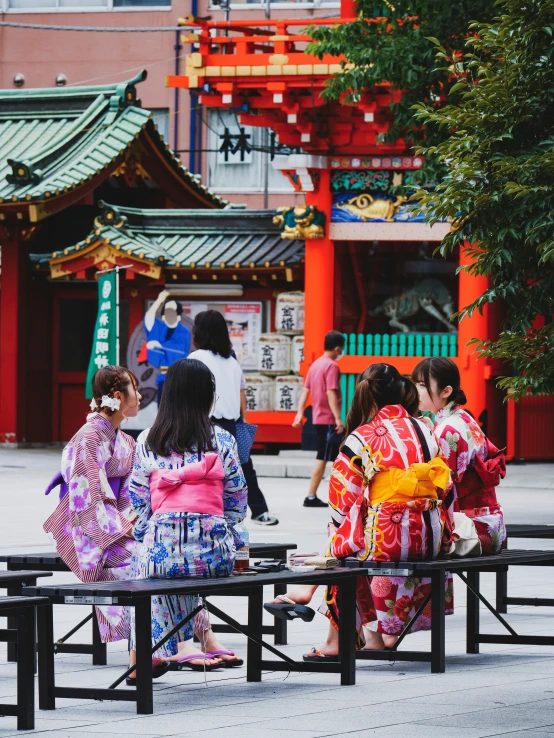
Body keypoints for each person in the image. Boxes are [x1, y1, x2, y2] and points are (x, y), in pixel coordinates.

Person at [303, 363, 452, 660]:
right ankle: (371, 635)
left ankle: (336, 638)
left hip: (390, 536)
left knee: (344, 541)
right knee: (352, 537)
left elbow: (342, 500)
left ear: (368, 396)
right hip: (431, 534)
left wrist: (341, 529)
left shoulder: (362, 436)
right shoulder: (425, 428)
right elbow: (444, 484)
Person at [43, 366, 168, 679]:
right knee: (141, 563)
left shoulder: (125, 441)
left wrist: (136, 529)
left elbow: (129, 497)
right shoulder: (86, 440)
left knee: (155, 557)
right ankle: (142, 654)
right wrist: (124, 535)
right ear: (117, 397)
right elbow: (86, 501)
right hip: (82, 528)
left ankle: (144, 653)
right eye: (134, 389)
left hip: (114, 524)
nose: (139, 396)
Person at [128, 358, 248, 671]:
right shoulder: (222, 440)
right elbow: (237, 499)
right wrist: (219, 527)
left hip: (162, 554)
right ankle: (198, 641)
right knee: (179, 561)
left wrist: (152, 535)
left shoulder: (147, 440)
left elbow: (137, 501)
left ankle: (145, 656)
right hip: (214, 555)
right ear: (206, 398)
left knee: (153, 562)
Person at [188, 309, 279, 526]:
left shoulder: (196, 358)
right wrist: (244, 419)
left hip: (204, 424)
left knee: (206, 470)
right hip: (232, 424)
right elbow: (241, 392)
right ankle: (258, 511)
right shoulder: (233, 361)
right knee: (243, 469)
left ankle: (208, 510)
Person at [412, 357, 506, 554]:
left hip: (471, 530)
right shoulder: (461, 417)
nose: (415, 391)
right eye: (415, 384)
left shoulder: (448, 429)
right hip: (488, 524)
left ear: (446, 391)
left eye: (422, 385)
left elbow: (441, 488)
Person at [293, 331, 345, 508]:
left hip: (318, 417)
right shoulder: (331, 366)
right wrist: (337, 418)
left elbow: (305, 391)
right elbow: (331, 392)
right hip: (328, 419)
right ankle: (311, 496)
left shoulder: (315, 365)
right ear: (337, 348)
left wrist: (300, 413)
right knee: (327, 457)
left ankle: (314, 495)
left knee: (327, 455)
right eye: (341, 349)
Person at [143, 290, 191, 404]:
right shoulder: (160, 328)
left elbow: (178, 349)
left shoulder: (184, 332)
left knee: (179, 410)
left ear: (179, 316)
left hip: (179, 377)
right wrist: (159, 300)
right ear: (163, 316)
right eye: (167, 312)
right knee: (162, 410)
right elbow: (149, 319)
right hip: (164, 378)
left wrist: (158, 345)